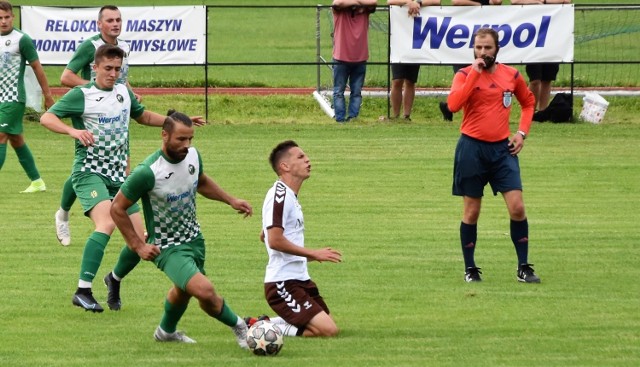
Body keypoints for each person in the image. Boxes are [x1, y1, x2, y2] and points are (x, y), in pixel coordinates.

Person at [40, 44, 206, 313]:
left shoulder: (123, 93)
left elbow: (142, 116)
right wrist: (73, 133)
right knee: (106, 224)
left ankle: (114, 279)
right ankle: (83, 290)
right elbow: (47, 118)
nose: (113, 73)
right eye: (108, 68)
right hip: (90, 172)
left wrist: (175, 123)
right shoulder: (82, 94)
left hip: (119, 176)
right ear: (95, 68)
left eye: (118, 69)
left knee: (142, 237)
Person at [110, 111, 252, 346]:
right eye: (181, 139)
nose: (187, 145)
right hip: (168, 247)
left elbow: (201, 182)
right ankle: (241, 328)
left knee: (185, 291)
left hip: (195, 239)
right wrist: (138, 246)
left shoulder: (193, 156)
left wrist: (231, 200)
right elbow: (117, 208)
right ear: (164, 135)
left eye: (190, 139)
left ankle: (165, 332)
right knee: (205, 290)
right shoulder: (147, 172)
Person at [446, 28, 541, 283]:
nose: (482, 52)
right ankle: (470, 269)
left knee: (517, 207)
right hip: (471, 150)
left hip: (502, 150)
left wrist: (521, 133)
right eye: (478, 47)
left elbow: (529, 103)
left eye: (487, 48)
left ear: (497, 48)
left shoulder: (511, 75)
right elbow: (454, 105)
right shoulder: (464, 74)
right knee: (472, 212)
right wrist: (474, 75)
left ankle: (523, 267)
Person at [55, 5, 140, 247]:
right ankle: (63, 213)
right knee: (88, 162)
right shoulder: (89, 47)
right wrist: (97, 92)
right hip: (90, 112)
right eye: (110, 20)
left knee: (120, 159)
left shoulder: (123, 48)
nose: (115, 24)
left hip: (116, 111)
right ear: (99, 24)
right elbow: (66, 77)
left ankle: (123, 217)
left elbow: (121, 80)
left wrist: (127, 93)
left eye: (118, 19)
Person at [249, 140, 342, 337]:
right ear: (285, 166)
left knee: (327, 321)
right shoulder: (279, 195)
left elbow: (265, 235)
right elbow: (274, 240)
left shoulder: (290, 196)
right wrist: (313, 253)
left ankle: (260, 323)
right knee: (327, 331)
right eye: (300, 157)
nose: (307, 160)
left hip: (300, 279)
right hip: (282, 282)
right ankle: (259, 329)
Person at [0, 0, 54, 193]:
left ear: (13, 17)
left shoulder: (21, 39)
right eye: (0, 18)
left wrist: (47, 96)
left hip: (13, 98)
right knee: (16, 140)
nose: (4, 21)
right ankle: (37, 181)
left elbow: (38, 68)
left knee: (1, 136)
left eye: (7, 17)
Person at [439, 0, 502, 121]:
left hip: (484, 35)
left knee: (485, 80)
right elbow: (456, 2)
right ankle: (452, 108)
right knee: (466, 81)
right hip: (462, 39)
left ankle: (451, 109)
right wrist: (477, 6)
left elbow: (498, 2)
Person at [511, 0, 572, 114]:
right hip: (532, 36)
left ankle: (542, 112)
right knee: (535, 79)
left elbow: (567, 1)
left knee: (547, 78)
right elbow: (514, 1)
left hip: (552, 33)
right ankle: (529, 111)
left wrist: (544, 2)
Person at [387, 0, 441, 121]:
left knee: (410, 81)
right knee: (397, 79)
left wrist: (418, 3)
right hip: (399, 40)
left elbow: (436, 1)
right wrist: (408, 2)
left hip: (417, 39)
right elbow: (389, 1)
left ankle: (406, 116)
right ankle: (395, 115)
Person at [331, 0, 377, 123]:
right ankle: (340, 120)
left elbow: (374, 2)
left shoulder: (366, 10)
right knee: (339, 91)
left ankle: (352, 118)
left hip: (360, 58)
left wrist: (357, 4)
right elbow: (337, 3)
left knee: (356, 92)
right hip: (341, 57)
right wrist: (358, 4)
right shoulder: (339, 11)